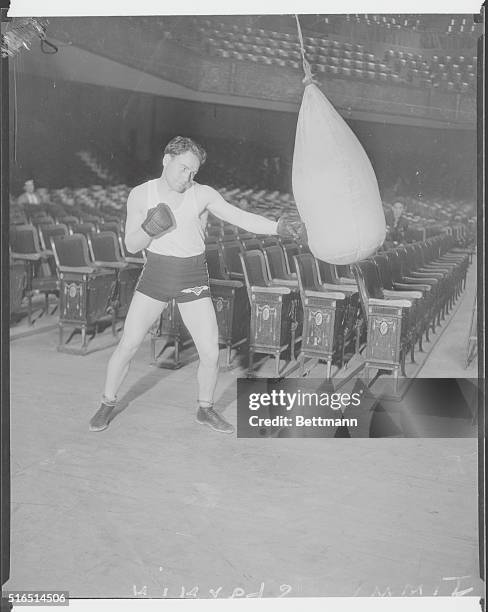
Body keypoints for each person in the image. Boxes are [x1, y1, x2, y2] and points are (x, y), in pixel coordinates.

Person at [89, 136, 302, 434]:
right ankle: (107, 403)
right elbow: (131, 244)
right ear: (166, 160)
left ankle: (205, 408)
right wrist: (150, 227)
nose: (187, 176)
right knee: (128, 344)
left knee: (210, 352)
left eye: (193, 171)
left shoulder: (202, 194)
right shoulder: (141, 194)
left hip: (192, 277)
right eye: (183, 168)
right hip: (156, 276)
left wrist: (276, 227)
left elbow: (237, 216)